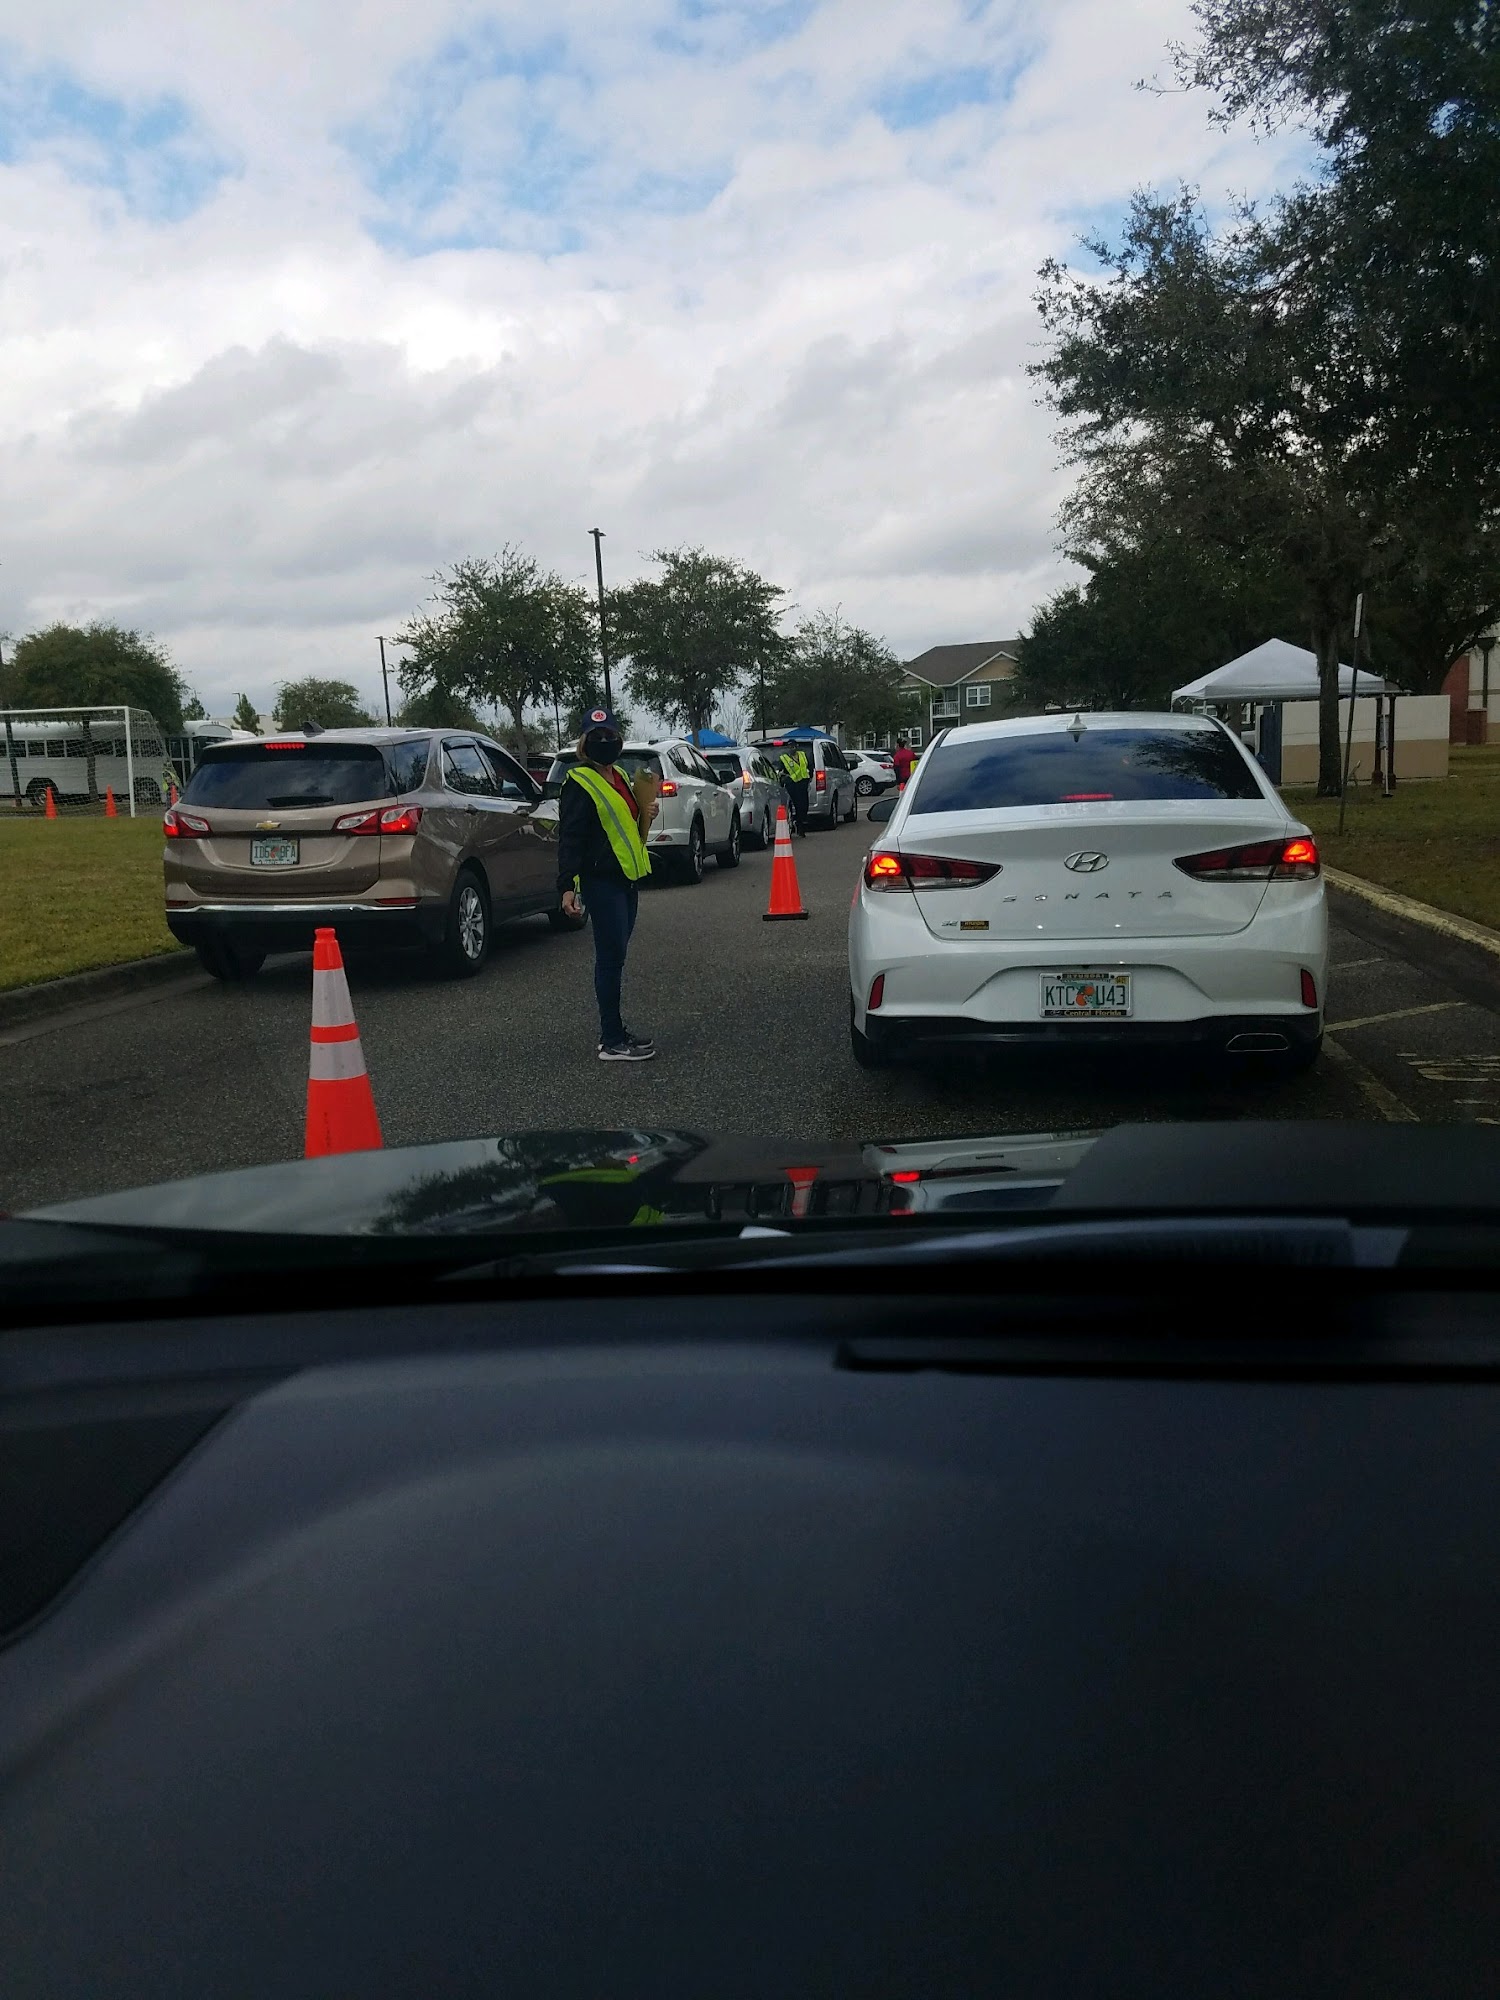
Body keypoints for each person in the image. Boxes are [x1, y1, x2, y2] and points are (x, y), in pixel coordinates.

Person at [557, 710, 656, 1062]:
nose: (604, 742)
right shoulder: (578, 782)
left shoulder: (621, 777)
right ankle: (611, 1039)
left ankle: (615, 1032)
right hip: (601, 881)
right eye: (596, 736)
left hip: (626, 879)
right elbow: (571, 837)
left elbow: (627, 825)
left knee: (617, 956)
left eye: (609, 735)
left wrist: (647, 812)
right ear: (584, 743)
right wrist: (567, 886)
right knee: (610, 959)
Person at [778, 743, 811, 836]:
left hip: (803, 783)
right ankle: (799, 827)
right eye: (789, 747)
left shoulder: (802, 755)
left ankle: (799, 822)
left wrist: (810, 776)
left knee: (804, 805)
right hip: (792, 785)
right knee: (797, 806)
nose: (791, 749)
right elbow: (781, 772)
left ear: (796, 747)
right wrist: (785, 779)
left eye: (793, 747)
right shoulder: (784, 758)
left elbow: (809, 766)